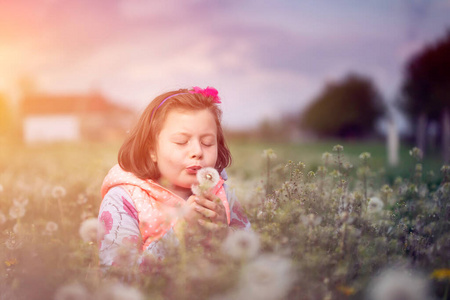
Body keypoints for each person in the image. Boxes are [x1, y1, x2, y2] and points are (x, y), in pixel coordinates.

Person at [98, 86, 250, 267]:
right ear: (152, 150)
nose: (197, 151)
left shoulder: (222, 192)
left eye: (208, 142)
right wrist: (179, 233)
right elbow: (117, 274)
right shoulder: (124, 199)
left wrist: (223, 234)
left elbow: (252, 254)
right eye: (181, 141)